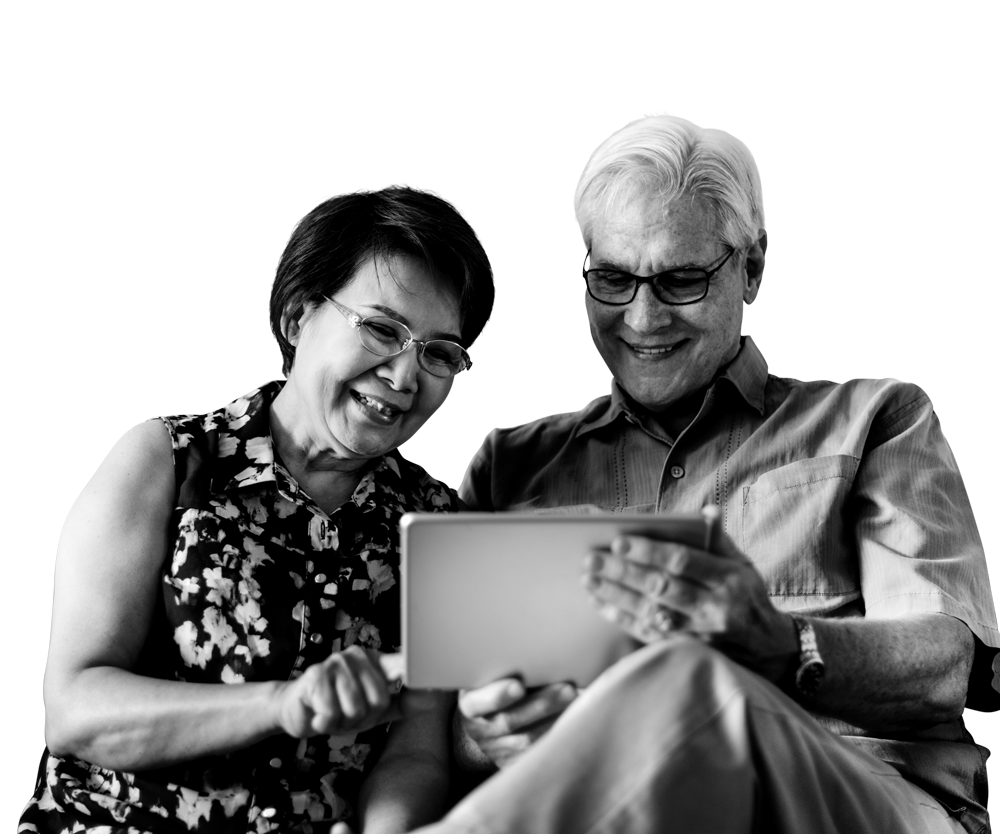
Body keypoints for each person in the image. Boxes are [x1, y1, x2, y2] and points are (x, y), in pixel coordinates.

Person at [427, 120, 1000, 834]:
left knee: (689, 677)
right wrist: (483, 740)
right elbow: (443, 729)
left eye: (681, 279)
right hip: (612, 805)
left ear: (752, 270)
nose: (641, 317)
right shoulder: (510, 468)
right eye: (611, 280)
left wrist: (779, 645)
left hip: (867, 797)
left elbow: (944, 673)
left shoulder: (878, 419)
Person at [18, 184, 495, 834]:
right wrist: (284, 703)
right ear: (299, 316)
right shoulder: (167, 461)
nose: (406, 377)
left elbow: (415, 754)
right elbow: (76, 711)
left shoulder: (440, 526)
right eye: (383, 329)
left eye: (438, 353)